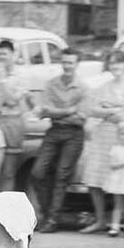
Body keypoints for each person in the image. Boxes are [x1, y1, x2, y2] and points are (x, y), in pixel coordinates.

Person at [79, 49, 124, 233]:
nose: (115, 67)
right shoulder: (103, 87)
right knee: (94, 179)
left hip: (121, 136)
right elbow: (91, 109)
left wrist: (106, 109)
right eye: (112, 64)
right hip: (101, 135)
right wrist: (110, 110)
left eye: (118, 63)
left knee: (119, 179)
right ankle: (100, 219)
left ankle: (119, 220)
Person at [30, 47, 86, 232]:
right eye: (65, 62)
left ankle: (53, 219)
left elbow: (81, 117)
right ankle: (47, 213)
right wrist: (69, 111)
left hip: (74, 133)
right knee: (38, 172)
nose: (67, 66)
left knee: (62, 174)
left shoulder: (83, 87)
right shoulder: (52, 84)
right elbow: (45, 111)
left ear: (77, 64)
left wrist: (58, 113)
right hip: (54, 131)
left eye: (71, 62)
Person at [0, 38, 33, 193]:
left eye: (5, 54)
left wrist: (3, 81)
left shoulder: (21, 78)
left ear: (13, 54)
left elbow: (12, 100)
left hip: (13, 123)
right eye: (0, 54)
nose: (2, 57)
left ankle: (5, 204)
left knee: (8, 171)